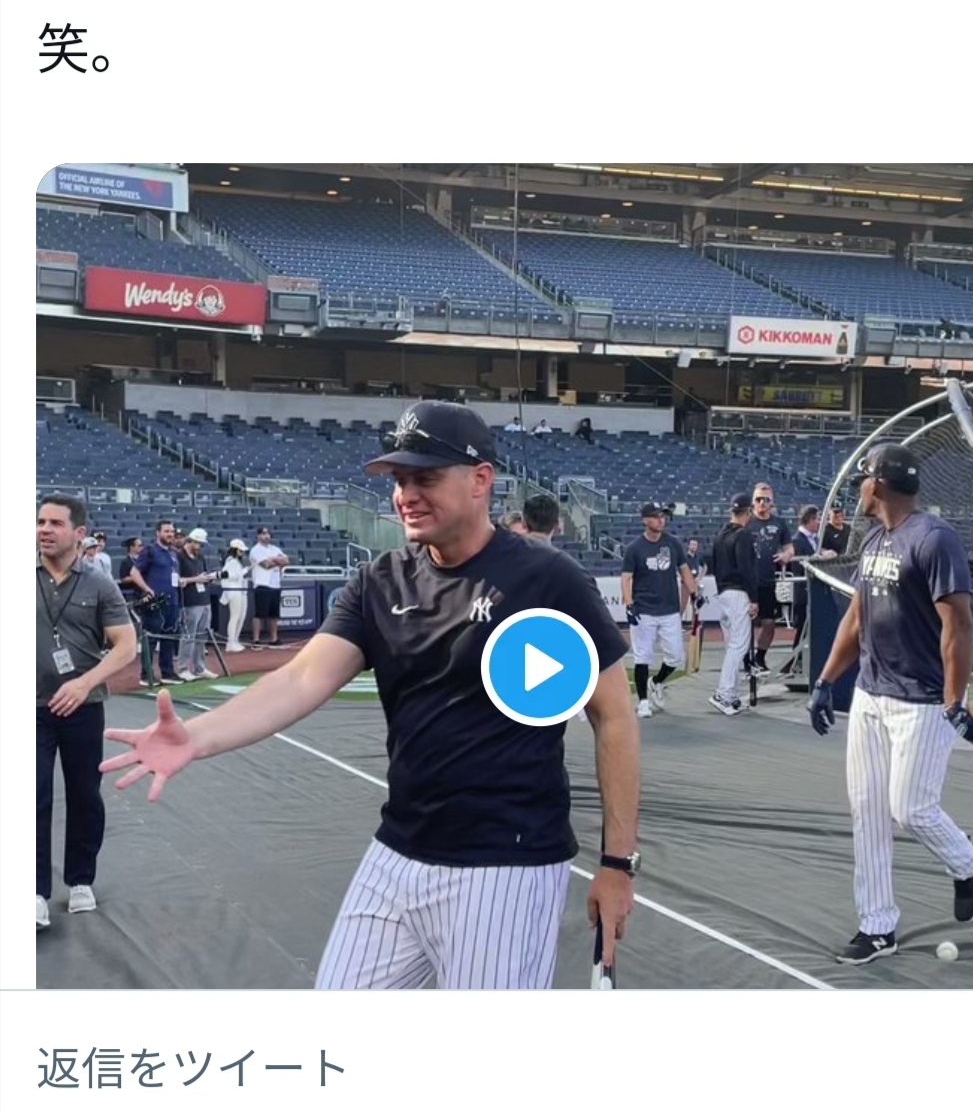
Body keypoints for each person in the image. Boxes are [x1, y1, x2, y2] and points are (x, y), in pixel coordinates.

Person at [102, 402, 638, 991]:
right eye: (399, 480)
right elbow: (301, 678)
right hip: (398, 849)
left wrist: (617, 864)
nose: (406, 495)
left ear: (481, 479)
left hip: (505, 863)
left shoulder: (547, 578)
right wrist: (195, 737)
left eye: (425, 477)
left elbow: (613, 717)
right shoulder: (381, 580)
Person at [809, 444, 973, 964]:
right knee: (867, 811)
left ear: (879, 485)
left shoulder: (935, 539)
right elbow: (857, 616)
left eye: (862, 479)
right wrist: (826, 680)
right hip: (870, 693)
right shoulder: (874, 538)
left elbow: (960, 626)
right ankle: (877, 927)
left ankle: (968, 862)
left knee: (910, 808)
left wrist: (954, 702)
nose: (858, 488)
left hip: (922, 699)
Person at [37, 495, 136, 929]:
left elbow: (126, 645)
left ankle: (80, 880)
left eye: (55, 523)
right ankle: (33, 892)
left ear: (79, 533)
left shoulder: (99, 583)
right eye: (40, 521)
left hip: (83, 707)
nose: (44, 529)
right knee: (31, 797)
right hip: (30, 708)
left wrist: (84, 682)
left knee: (84, 795)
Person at [620, 503, 697, 717]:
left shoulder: (673, 543)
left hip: (670, 609)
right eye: (655, 516)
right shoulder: (635, 548)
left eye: (662, 516)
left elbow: (684, 570)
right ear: (645, 520)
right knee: (642, 657)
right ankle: (643, 701)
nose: (660, 520)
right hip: (644, 609)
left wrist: (694, 594)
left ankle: (657, 681)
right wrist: (629, 604)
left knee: (676, 657)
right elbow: (626, 578)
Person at [707, 497, 759, 715]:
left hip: (723, 593)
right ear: (748, 512)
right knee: (739, 645)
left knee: (732, 645)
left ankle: (732, 695)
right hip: (738, 592)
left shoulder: (720, 534)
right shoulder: (743, 534)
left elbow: (713, 564)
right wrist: (754, 598)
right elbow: (746, 568)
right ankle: (724, 694)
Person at [746, 484, 794, 675]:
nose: (762, 503)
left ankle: (760, 657)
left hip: (767, 581)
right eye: (758, 499)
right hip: (748, 583)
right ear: (753, 502)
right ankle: (745, 660)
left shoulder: (779, 523)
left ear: (772, 502)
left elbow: (790, 548)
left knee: (769, 623)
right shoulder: (747, 522)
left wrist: (785, 556)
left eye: (766, 499)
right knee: (745, 624)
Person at [127, 520, 181, 683]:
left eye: (171, 531)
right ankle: (146, 675)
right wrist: (147, 589)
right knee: (150, 639)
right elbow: (134, 572)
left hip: (172, 601)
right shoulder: (150, 551)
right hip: (156, 603)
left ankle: (167, 672)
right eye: (166, 531)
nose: (170, 534)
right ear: (158, 533)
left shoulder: (173, 553)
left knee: (169, 638)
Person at [779, 504, 820, 673]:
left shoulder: (815, 539)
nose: (818, 523)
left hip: (812, 590)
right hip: (803, 590)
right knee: (803, 628)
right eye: (816, 519)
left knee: (808, 629)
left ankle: (797, 661)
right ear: (809, 519)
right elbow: (798, 565)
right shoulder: (797, 540)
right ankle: (793, 661)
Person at [176, 530, 214, 680]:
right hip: (190, 602)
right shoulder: (179, 557)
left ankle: (200, 667)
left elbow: (203, 576)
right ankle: (183, 668)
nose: (200, 547)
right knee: (188, 636)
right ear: (191, 541)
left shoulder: (200, 557)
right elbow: (178, 580)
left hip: (204, 600)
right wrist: (196, 579)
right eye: (199, 544)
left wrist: (209, 578)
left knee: (202, 636)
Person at [249, 526, 289, 647]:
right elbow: (265, 565)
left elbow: (286, 561)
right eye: (263, 534)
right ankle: (256, 640)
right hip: (262, 584)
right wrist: (277, 561)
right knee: (260, 615)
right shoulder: (256, 550)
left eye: (268, 534)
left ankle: (274, 639)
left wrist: (273, 559)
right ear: (258, 536)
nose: (266, 536)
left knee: (274, 615)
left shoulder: (275, 548)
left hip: (275, 584)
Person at [221, 540, 250, 650]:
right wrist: (244, 571)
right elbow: (229, 576)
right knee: (235, 617)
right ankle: (231, 642)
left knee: (240, 616)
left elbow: (236, 575)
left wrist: (245, 570)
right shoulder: (231, 561)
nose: (242, 553)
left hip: (239, 590)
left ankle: (235, 640)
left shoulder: (235, 561)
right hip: (234, 591)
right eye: (240, 551)